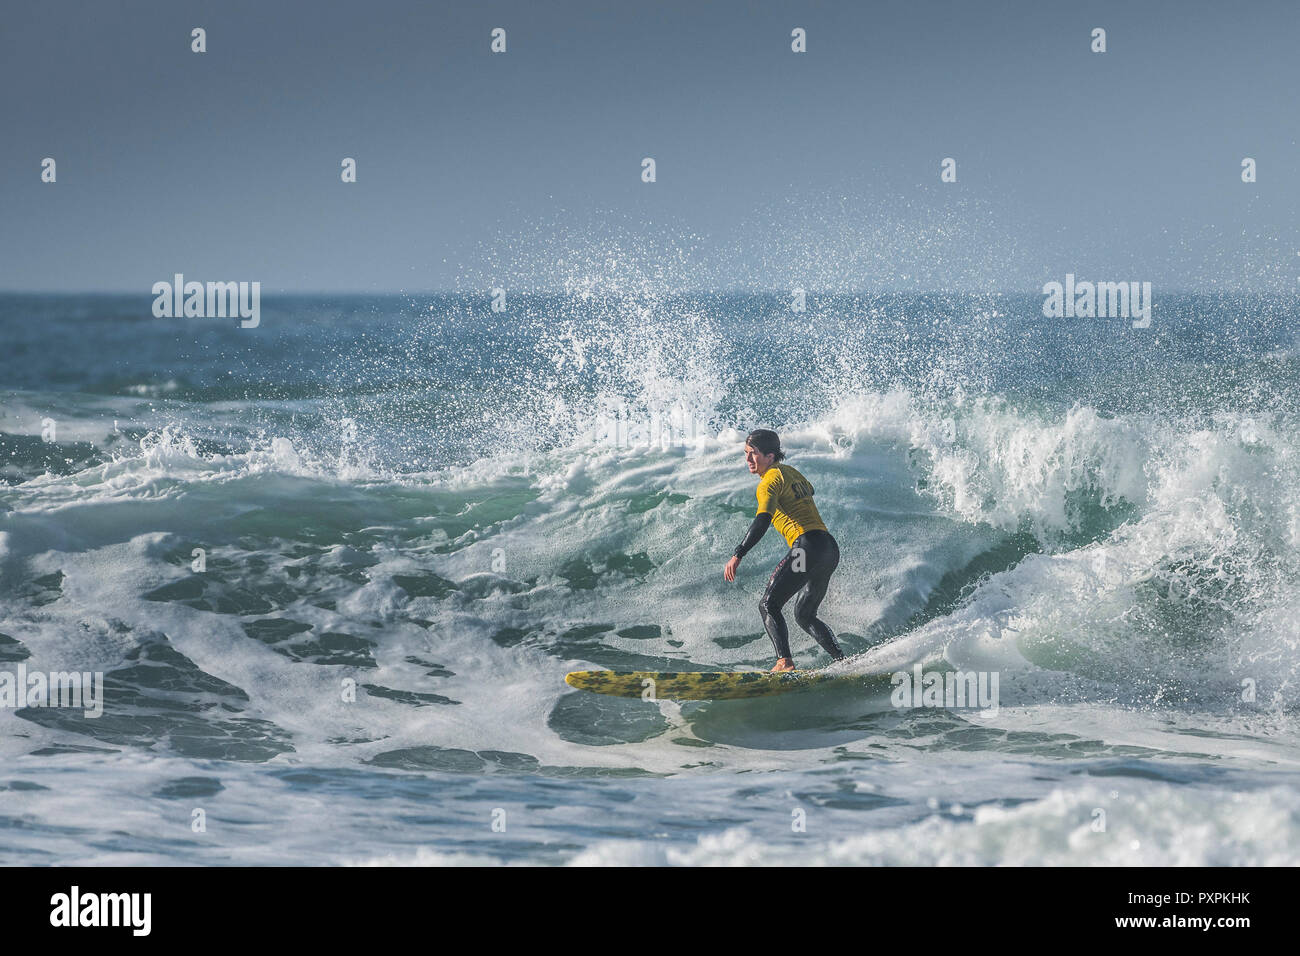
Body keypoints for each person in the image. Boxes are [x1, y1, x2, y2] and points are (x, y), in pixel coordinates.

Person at [723, 429, 845, 672]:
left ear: (770, 456)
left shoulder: (769, 481)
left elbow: (762, 520)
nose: (748, 460)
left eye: (753, 454)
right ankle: (842, 660)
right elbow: (809, 490)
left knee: (769, 604)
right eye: (746, 454)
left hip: (806, 549)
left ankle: (784, 662)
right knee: (804, 614)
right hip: (828, 549)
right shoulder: (792, 472)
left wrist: (738, 554)